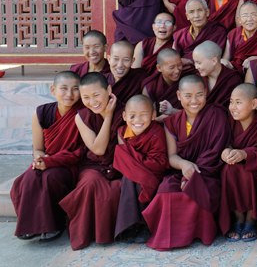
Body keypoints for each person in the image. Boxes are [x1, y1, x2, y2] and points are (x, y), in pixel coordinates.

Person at [142, 75, 231, 251]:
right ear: (179, 95)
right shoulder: (172, 122)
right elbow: (172, 156)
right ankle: (169, 236)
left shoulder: (217, 115)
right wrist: (184, 165)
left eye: (199, 94)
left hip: (207, 173)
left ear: (206, 93)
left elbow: (214, 152)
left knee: (196, 189)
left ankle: (199, 232)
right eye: (188, 95)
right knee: (166, 190)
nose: (194, 100)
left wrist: (192, 175)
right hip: (182, 170)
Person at [11, 71, 82, 241]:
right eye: (63, 89)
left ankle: (53, 225)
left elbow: (80, 153)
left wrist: (50, 161)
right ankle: (29, 226)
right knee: (27, 179)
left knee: (51, 178)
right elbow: (38, 148)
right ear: (53, 90)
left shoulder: (83, 113)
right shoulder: (41, 113)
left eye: (75, 89)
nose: (69, 94)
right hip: (47, 160)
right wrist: (40, 159)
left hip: (69, 164)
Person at [59, 73, 123, 250]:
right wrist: (108, 116)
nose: (92, 101)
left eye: (96, 95)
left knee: (116, 190)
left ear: (109, 90)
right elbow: (98, 149)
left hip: (119, 165)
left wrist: (111, 114)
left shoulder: (125, 111)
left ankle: (109, 234)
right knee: (90, 184)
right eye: (86, 97)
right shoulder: (81, 116)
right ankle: (84, 234)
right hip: (93, 166)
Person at [112, 95, 169, 243]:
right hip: (135, 173)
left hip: (153, 174)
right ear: (124, 116)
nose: (137, 120)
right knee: (129, 178)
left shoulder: (157, 132)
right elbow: (124, 158)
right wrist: (135, 167)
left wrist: (136, 166)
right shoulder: (121, 132)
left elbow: (160, 162)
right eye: (132, 115)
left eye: (143, 115)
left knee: (136, 180)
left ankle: (142, 225)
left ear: (153, 115)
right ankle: (131, 226)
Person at [218, 84, 257, 242]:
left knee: (249, 172)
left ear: (254, 104)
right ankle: (238, 218)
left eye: (238, 102)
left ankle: (251, 218)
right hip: (233, 165)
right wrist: (225, 152)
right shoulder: (228, 121)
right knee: (228, 170)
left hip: (255, 165)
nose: (233, 107)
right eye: (231, 102)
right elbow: (222, 142)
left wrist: (245, 154)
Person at [172, 0, 228, 66]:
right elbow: (173, 58)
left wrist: (190, 61)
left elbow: (215, 56)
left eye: (200, 10)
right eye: (191, 12)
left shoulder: (218, 31)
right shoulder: (180, 35)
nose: (196, 15)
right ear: (187, 16)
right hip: (182, 70)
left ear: (207, 12)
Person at [193, 41, 243, 107]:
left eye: (199, 63)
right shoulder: (198, 79)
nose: (196, 67)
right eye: (195, 63)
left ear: (214, 61)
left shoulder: (232, 80)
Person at [223, 1, 257, 72]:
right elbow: (226, 58)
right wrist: (225, 63)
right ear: (239, 20)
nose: (249, 19)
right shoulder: (233, 34)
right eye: (245, 16)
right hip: (234, 70)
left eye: (253, 15)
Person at [142, 48, 182, 119]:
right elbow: (149, 118)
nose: (177, 71)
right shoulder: (150, 86)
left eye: (179, 65)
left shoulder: (186, 80)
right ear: (159, 68)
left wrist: (172, 112)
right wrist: (161, 119)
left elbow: (193, 112)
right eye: (171, 67)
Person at [107, 40, 148, 106]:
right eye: (116, 59)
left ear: (132, 61)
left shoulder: (140, 77)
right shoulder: (102, 80)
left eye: (126, 60)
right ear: (109, 59)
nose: (120, 65)